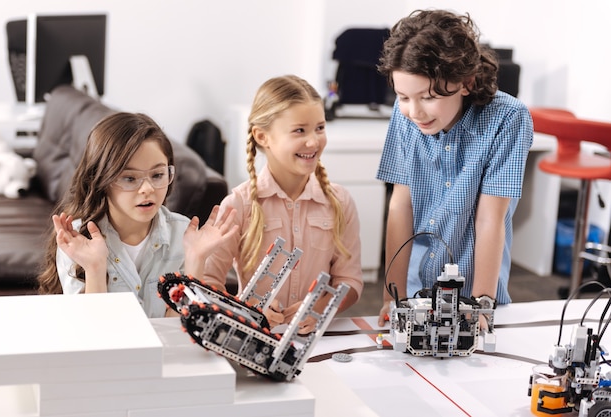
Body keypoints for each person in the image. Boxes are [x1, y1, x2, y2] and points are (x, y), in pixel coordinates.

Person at [375, 9, 533, 326]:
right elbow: (400, 205)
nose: (414, 111)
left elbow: (491, 218)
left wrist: (482, 303)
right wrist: (392, 296)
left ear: (466, 82)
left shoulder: (508, 118)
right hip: (417, 286)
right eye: (403, 96)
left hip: (477, 286)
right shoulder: (404, 114)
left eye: (429, 97)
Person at [200, 75, 364, 334]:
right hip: (252, 336)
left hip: (316, 340)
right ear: (262, 136)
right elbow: (208, 283)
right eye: (300, 130)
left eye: (320, 128)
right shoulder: (238, 205)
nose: (313, 141)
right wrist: (247, 310)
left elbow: (350, 281)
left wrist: (319, 309)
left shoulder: (340, 202)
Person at [37, 112, 237, 318]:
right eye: (130, 178)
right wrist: (95, 267)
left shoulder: (184, 235)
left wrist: (196, 260)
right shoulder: (77, 239)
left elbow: (177, 331)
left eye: (158, 175)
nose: (147, 189)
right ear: (100, 180)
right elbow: (93, 333)